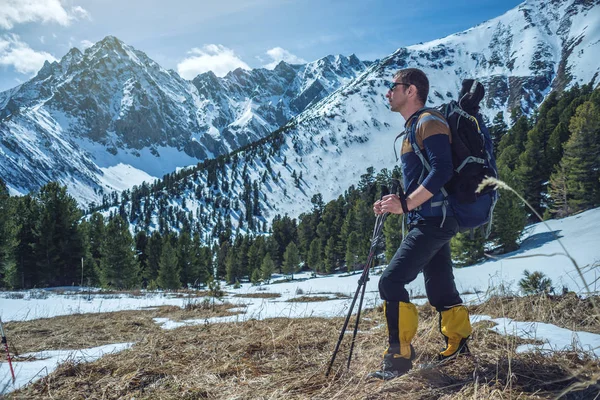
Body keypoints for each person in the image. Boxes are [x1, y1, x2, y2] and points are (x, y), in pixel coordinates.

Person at [369, 68, 472, 380]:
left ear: (410, 90)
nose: (388, 92)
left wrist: (407, 203)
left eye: (393, 87)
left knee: (390, 281)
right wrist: (395, 200)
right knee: (439, 286)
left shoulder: (429, 122)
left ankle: (398, 359)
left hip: (433, 220)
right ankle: (458, 344)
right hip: (431, 218)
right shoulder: (415, 126)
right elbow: (425, 176)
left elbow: (443, 170)